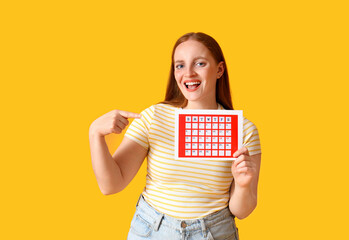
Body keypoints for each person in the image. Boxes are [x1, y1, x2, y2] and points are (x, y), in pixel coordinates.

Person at [89, 32, 261, 240]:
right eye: (180, 65)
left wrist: (243, 184)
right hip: (151, 230)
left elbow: (241, 210)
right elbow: (110, 185)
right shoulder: (154, 117)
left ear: (219, 70)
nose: (188, 73)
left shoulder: (244, 130)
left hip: (215, 233)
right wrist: (95, 134)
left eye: (199, 64)